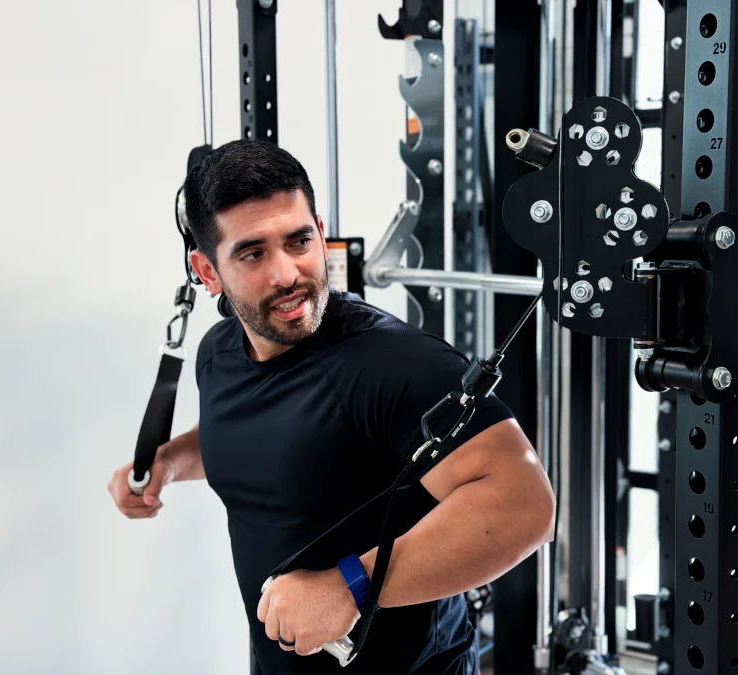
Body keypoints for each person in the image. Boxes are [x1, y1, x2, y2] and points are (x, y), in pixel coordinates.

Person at [108, 139, 556, 674]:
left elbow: (524, 505)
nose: (286, 274)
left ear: (320, 233)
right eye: (252, 254)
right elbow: (262, 432)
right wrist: (169, 462)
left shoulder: (389, 363)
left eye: (298, 241)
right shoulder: (220, 352)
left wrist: (350, 587)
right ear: (207, 272)